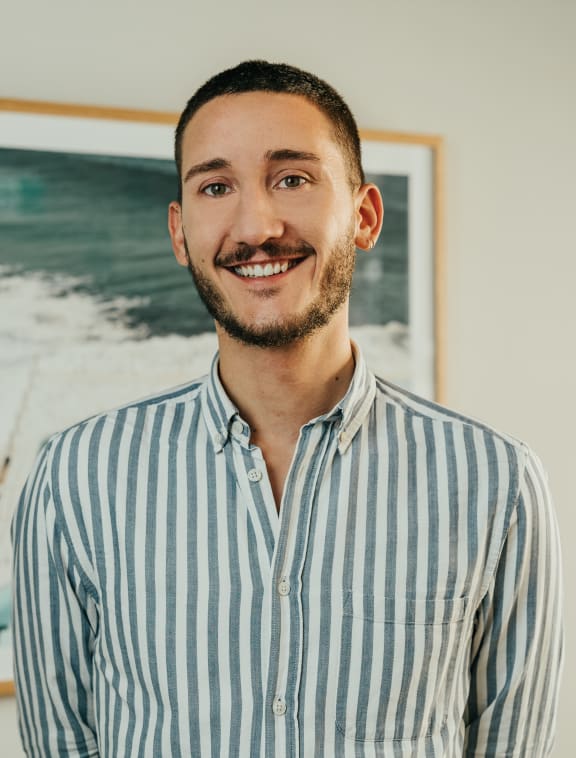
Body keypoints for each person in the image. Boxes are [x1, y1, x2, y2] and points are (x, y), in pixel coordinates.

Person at [12, 60, 563, 757]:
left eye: (292, 179)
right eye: (217, 186)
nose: (256, 225)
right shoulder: (75, 480)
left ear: (363, 216)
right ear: (181, 234)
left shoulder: (498, 483)